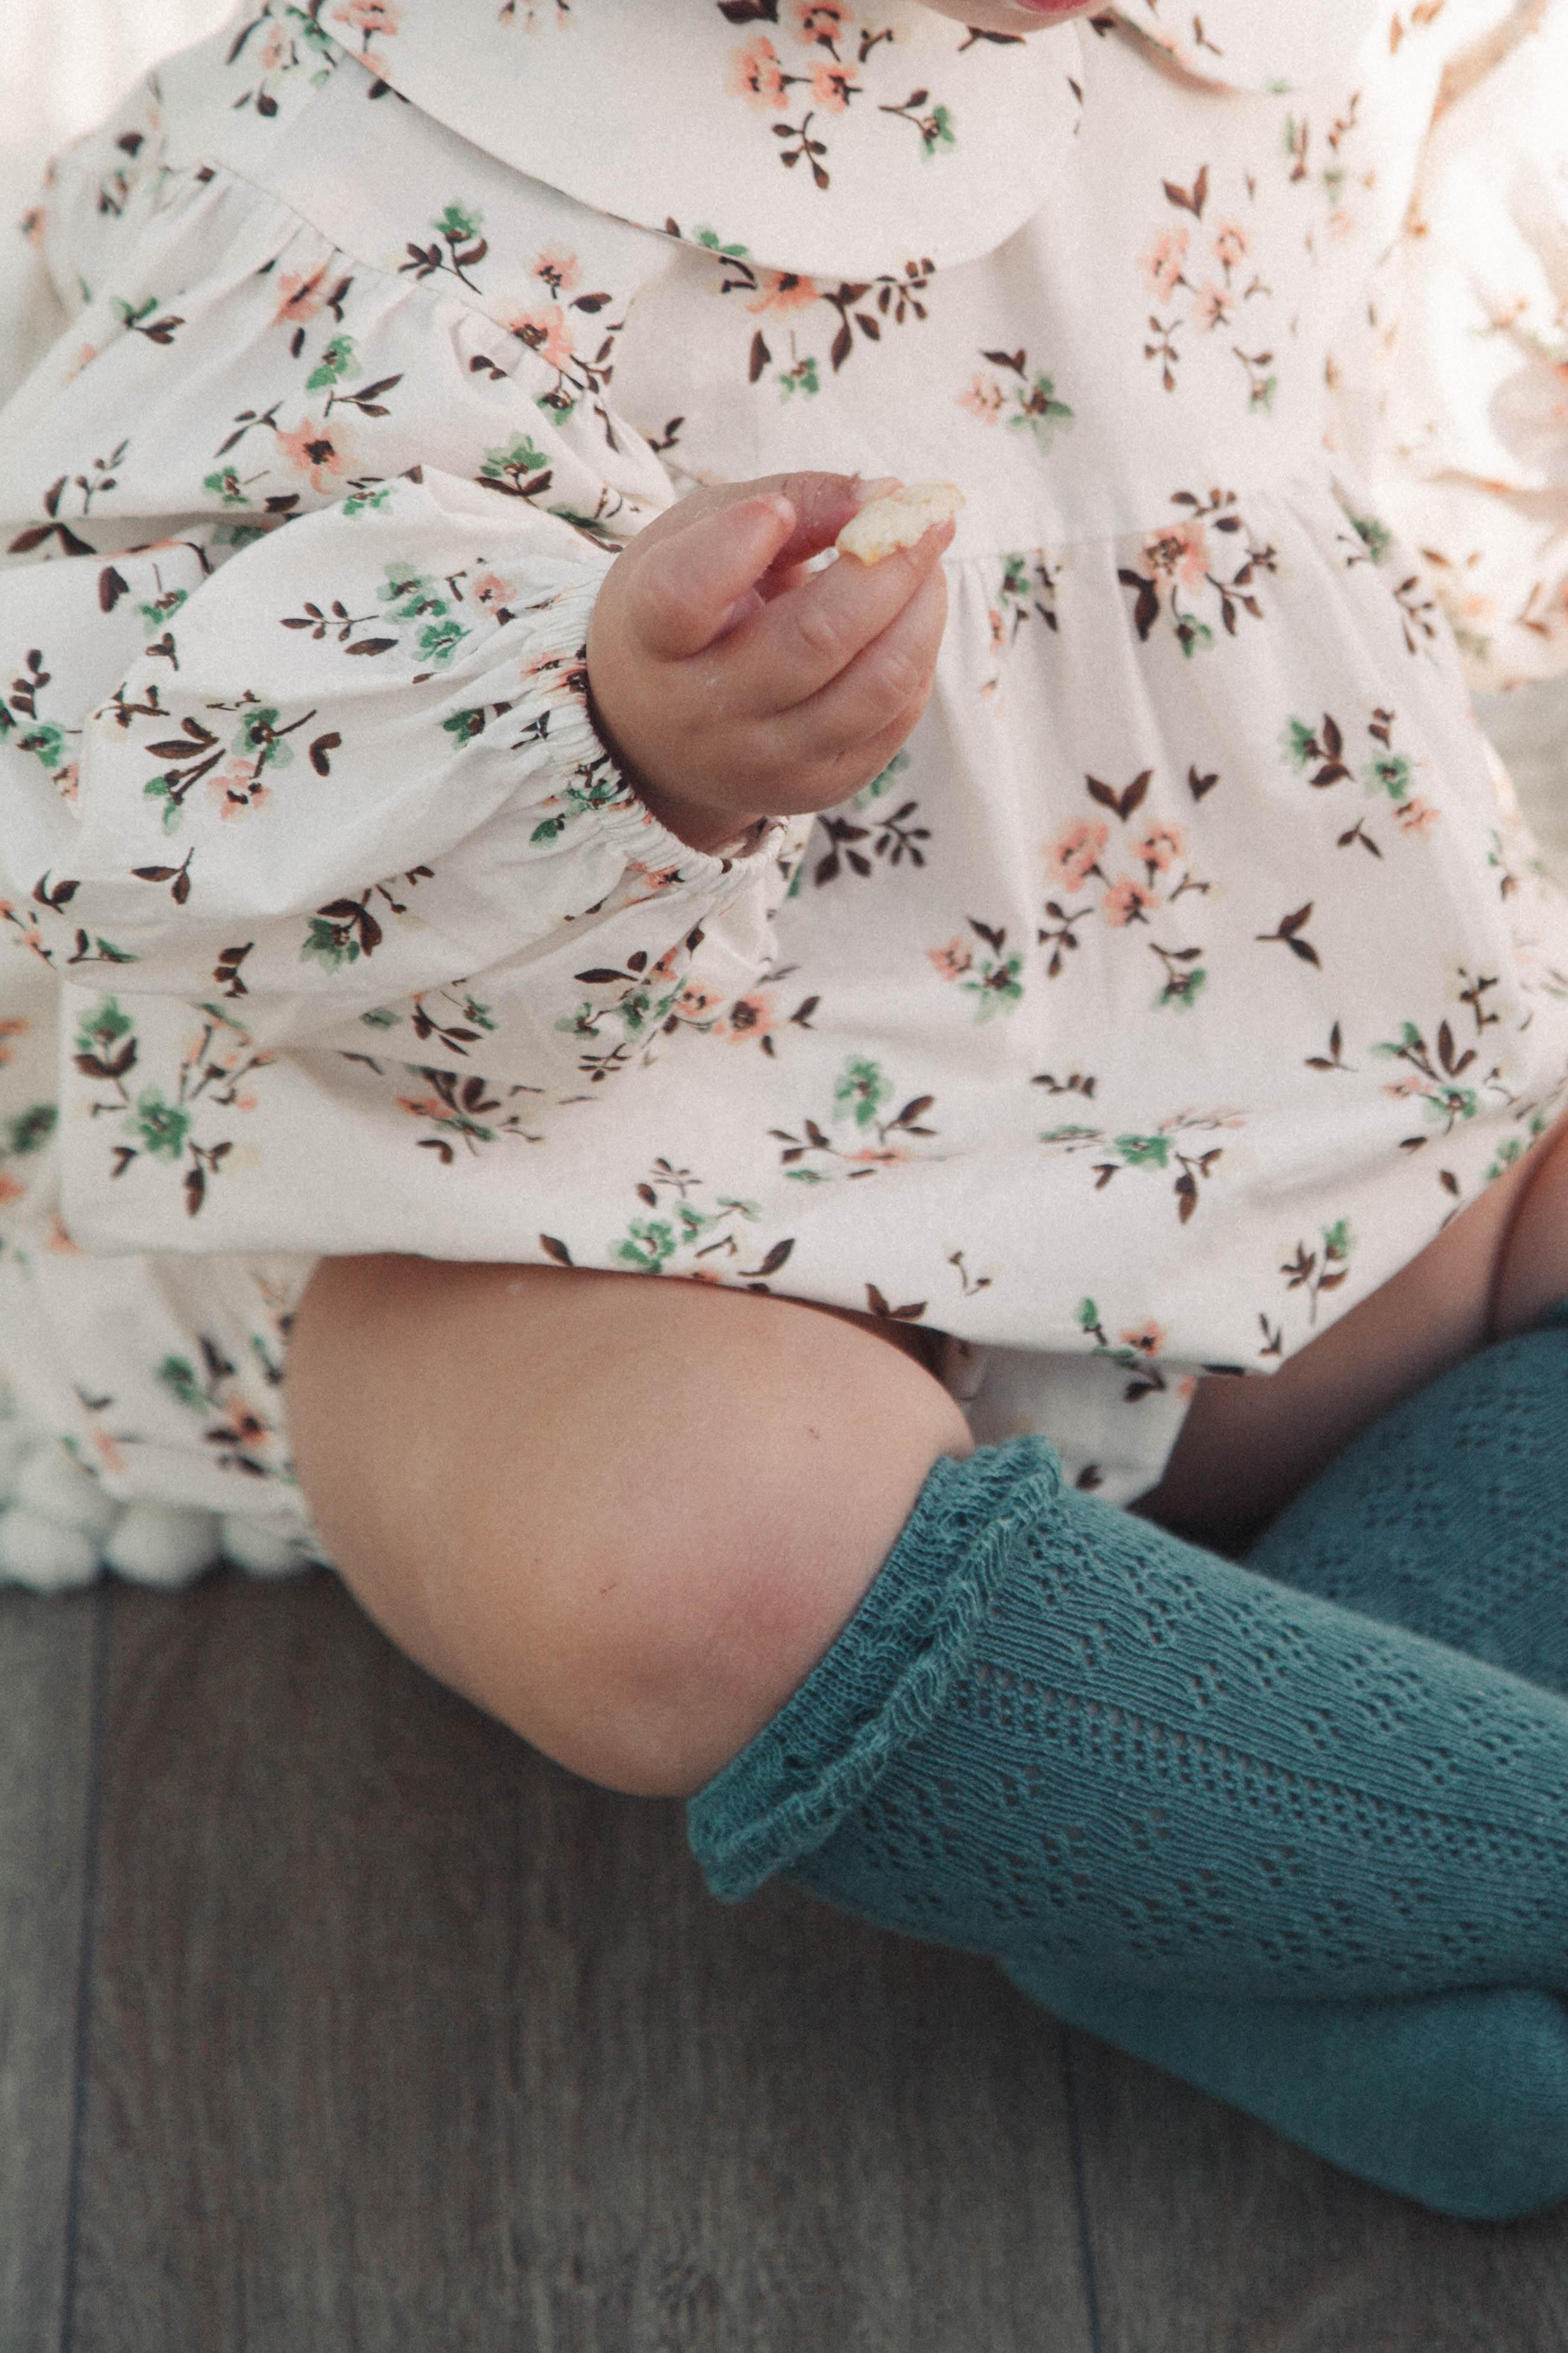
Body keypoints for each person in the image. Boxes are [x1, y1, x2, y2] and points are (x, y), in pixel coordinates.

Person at [4, 0, 1568, 2217]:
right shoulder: (380, 147)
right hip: (639, 1213)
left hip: (1267, 1135)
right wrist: (604, 736)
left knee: (1524, 1203)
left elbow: (1440, 307)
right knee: (670, 1543)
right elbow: (136, 740)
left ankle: (1239, 1862)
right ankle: (1383, 1837)